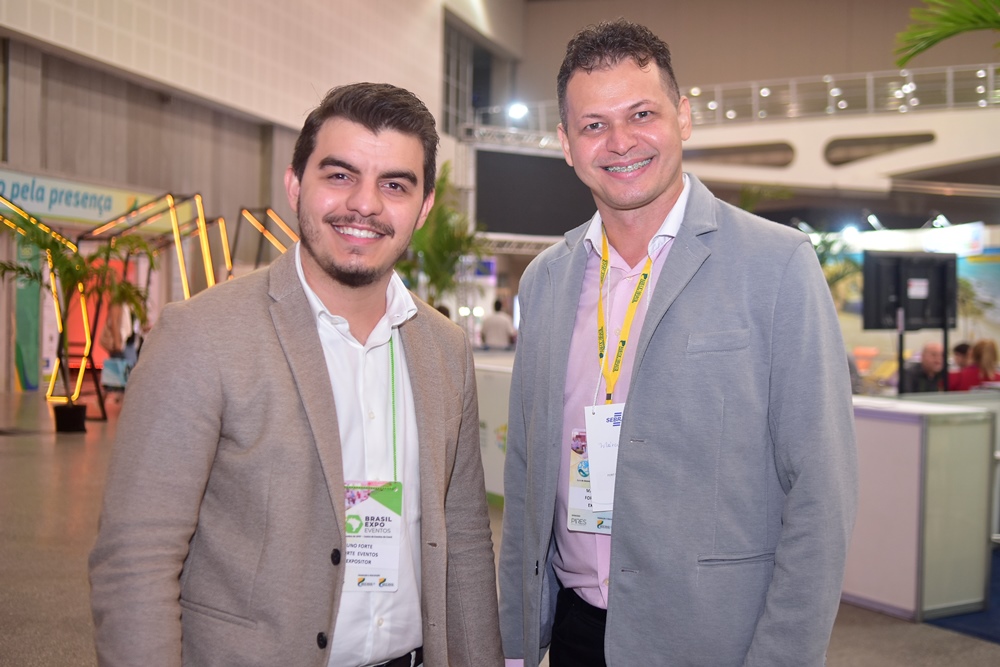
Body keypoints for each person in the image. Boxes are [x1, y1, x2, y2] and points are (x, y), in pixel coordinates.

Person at [89, 82, 503, 667]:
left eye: (394, 185)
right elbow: (137, 559)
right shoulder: (201, 335)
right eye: (340, 175)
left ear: (424, 206)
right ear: (295, 185)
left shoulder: (445, 348)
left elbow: (463, 540)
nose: (364, 204)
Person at [498, 20, 858, 667]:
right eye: (594, 124)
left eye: (642, 114)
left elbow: (822, 493)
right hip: (576, 634)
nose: (621, 142)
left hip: (716, 642)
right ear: (566, 144)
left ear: (683, 117)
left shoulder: (777, 264)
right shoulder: (545, 280)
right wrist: (515, 643)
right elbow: (526, 475)